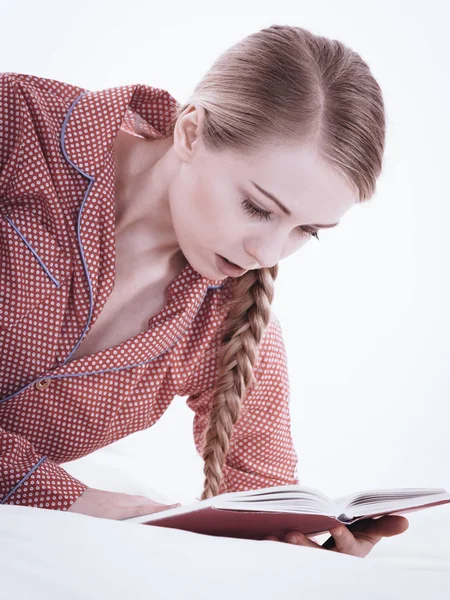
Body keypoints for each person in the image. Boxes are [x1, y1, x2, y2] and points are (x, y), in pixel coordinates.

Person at [0, 24, 408, 557]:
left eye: (306, 231)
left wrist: (303, 558)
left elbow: (263, 502)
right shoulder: (17, 125)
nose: (267, 254)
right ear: (191, 132)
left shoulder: (231, 323)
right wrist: (63, 498)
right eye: (259, 208)